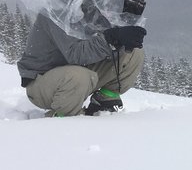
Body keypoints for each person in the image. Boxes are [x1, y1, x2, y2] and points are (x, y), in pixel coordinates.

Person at [18, 14, 146, 117]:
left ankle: (104, 100)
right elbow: (76, 54)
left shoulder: (87, 10)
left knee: (132, 53)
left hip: (75, 74)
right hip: (41, 83)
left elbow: (100, 39)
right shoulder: (54, 12)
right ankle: (63, 117)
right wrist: (111, 37)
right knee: (78, 76)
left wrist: (123, 21)